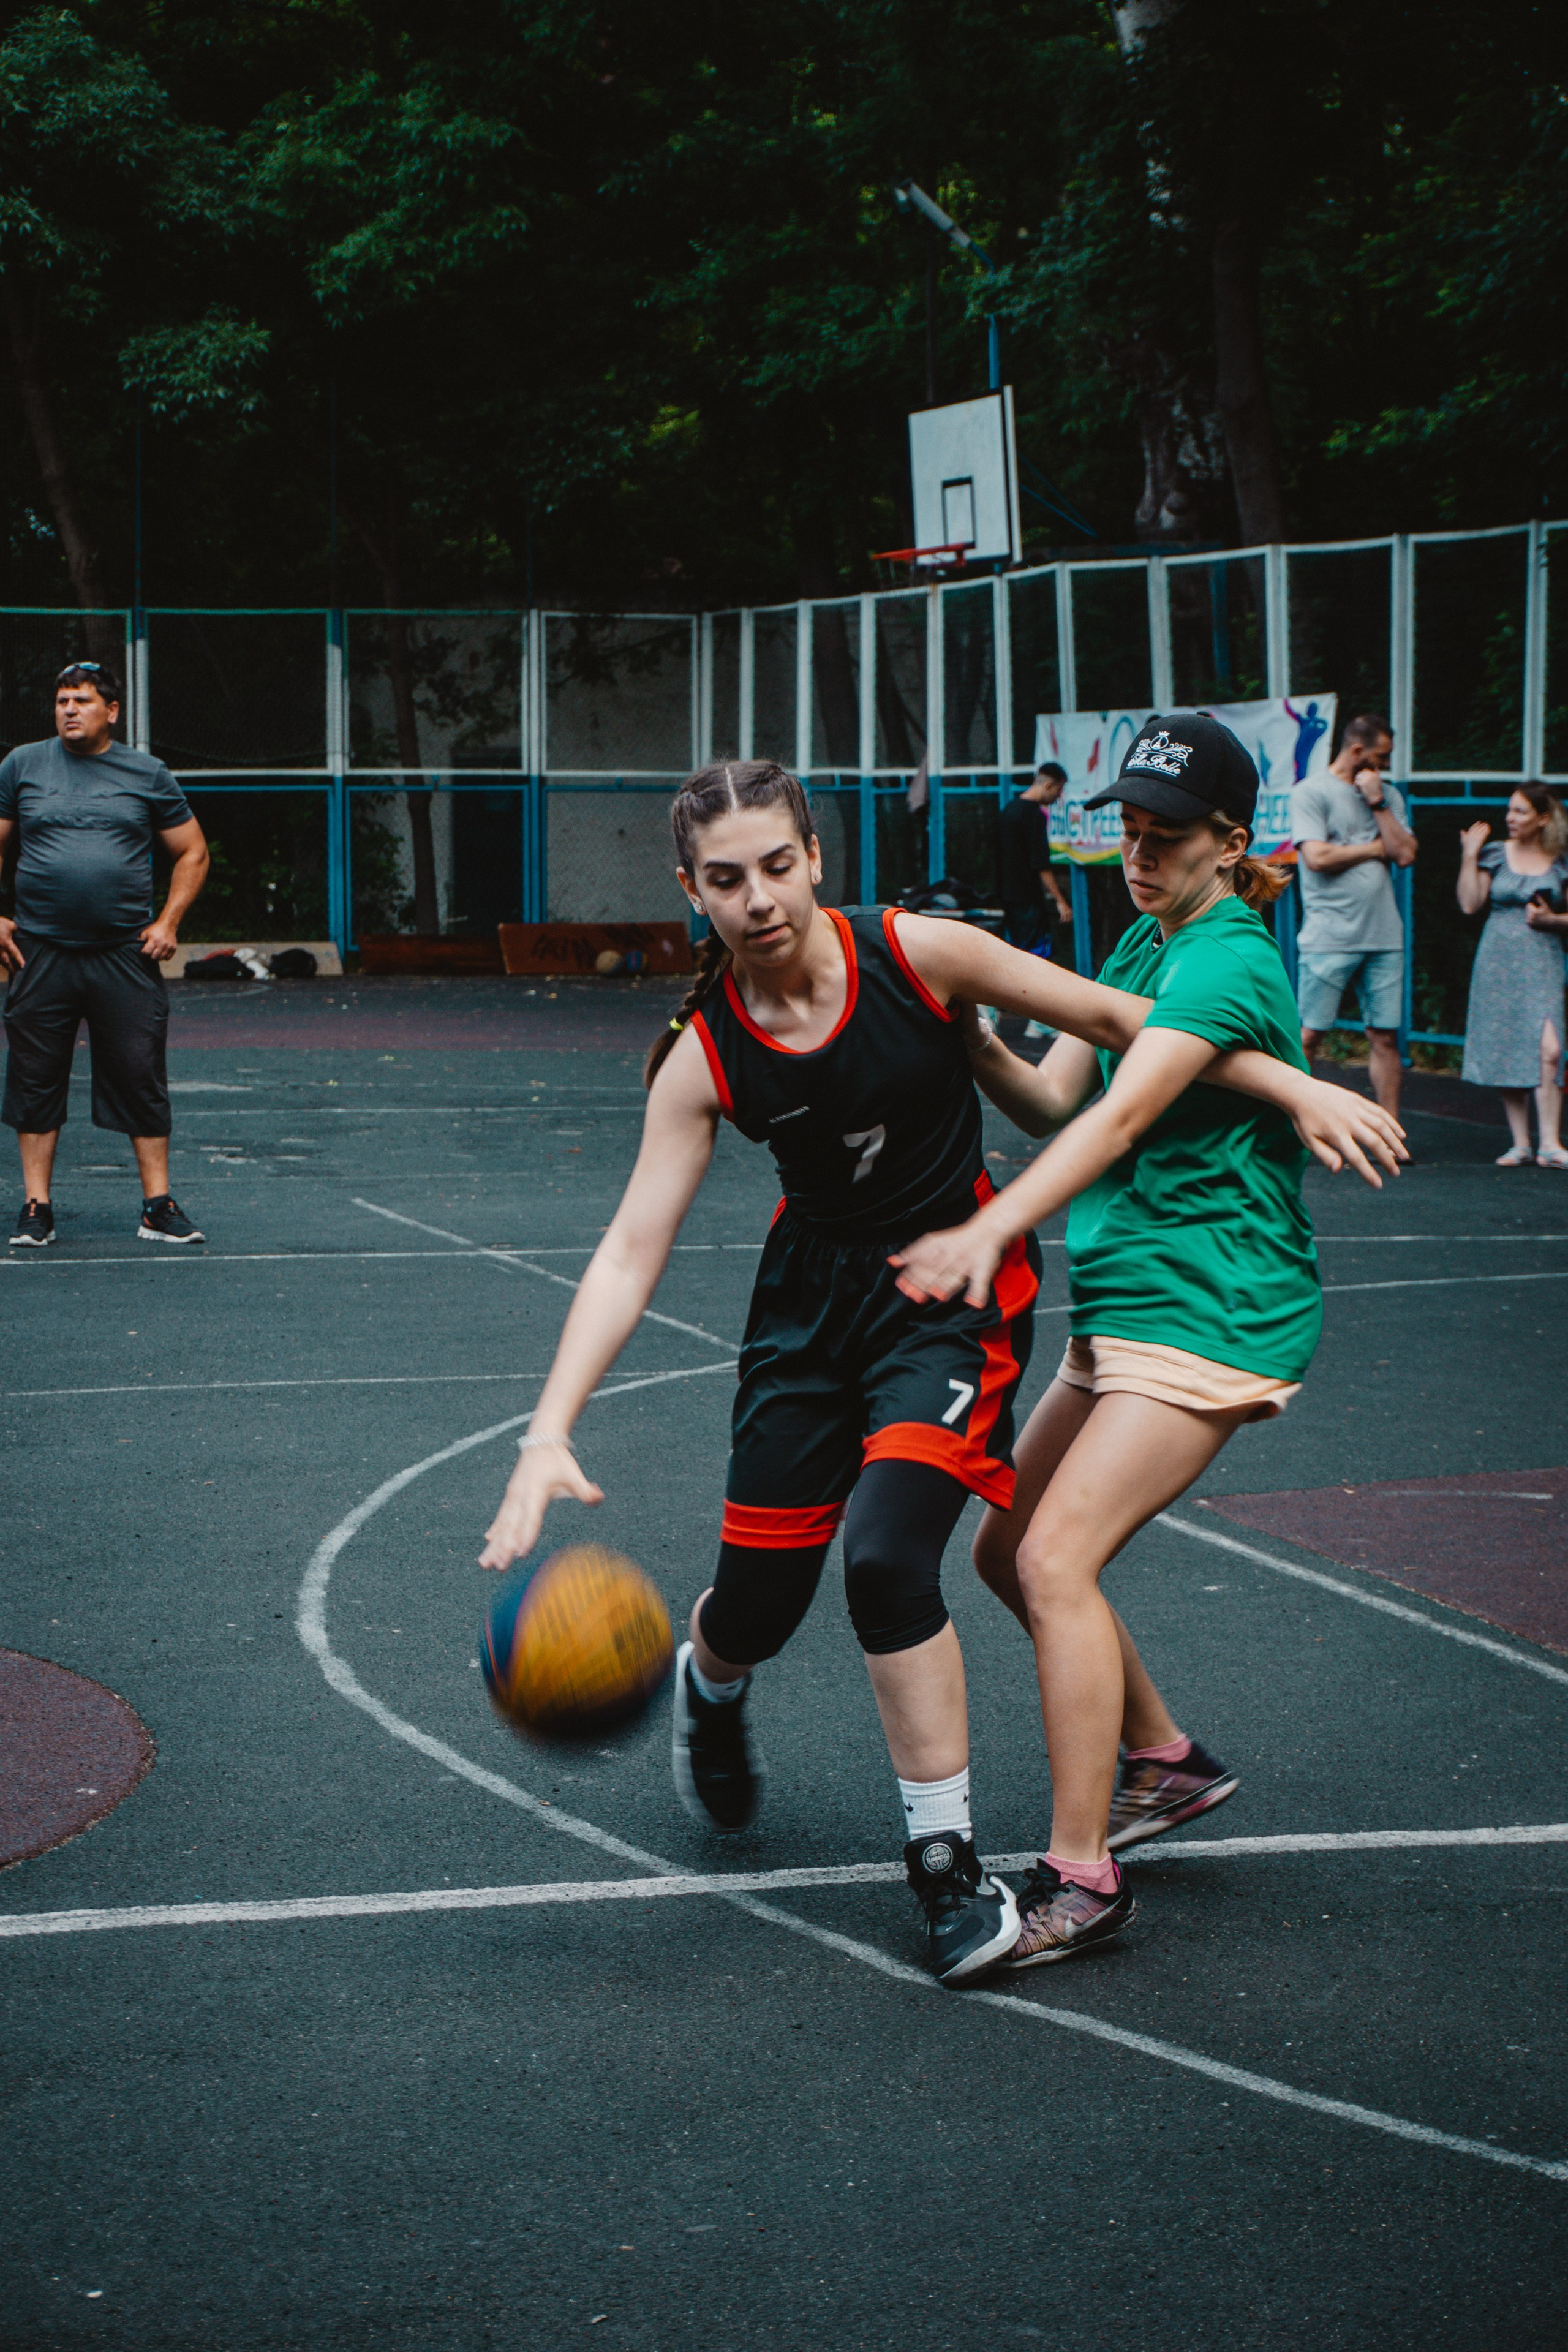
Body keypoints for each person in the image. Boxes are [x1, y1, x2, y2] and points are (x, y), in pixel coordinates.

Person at [478, 758, 1402, 1985]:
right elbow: (628, 1251)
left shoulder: (923, 948)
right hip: (809, 1310)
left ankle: (947, 1868)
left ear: (814, 859)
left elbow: (1130, 1037)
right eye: (723, 880)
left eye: (774, 866)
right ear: (688, 892)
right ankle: (712, 1678)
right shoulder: (704, 1056)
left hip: (950, 1300)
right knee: (757, 1602)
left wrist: (1288, 1076)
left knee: (888, 1556)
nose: (755, 898)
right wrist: (548, 1428)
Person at [892, 714, 1405, 1969]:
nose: (1135, 853)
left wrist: (993, 1227)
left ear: (1230, 843)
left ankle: (1082, 1879)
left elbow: (1117, 1123)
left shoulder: (1227, 957)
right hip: (1131, 1300)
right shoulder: (1140, 934)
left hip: (1215, 1304)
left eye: (1163, 838)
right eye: (1123, 830)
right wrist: (970, 1034)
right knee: (1004, 1550)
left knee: (1056, 1561)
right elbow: (1051, 1096)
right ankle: (1164, 1764)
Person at [0, 662, 209, 1246]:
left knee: (140, 1074)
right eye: (62, 700)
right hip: (40, 952)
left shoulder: (146, 773)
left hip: (124, 955)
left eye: (83, 701)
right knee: (36, 1078)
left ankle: (157, 1207)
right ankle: (36, 1208)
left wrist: (168, 922)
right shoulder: (22, 765)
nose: (69, 709)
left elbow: (193, 852)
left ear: (111, 711)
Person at [1291, 712, 1417, 1119]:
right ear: (1358, 751)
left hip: (1384, 938)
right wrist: (1373, 848)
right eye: (1381, 758)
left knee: (1384, 1037)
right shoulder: (1312, 792)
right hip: (1329, 936)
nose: (1385, 767)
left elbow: (1406, 853)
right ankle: (1294, 1130)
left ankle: (1393, 1133)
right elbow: (1317, 856)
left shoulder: (1389, 796)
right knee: (1308, 1037)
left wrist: (1377, 802)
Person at [1457, 785, 1568, 1167]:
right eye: (1510, 810)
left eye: (1521, 812)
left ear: (1543, 818)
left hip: (1543, 960)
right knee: (1508, 1042)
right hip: (1498, 960)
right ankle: (1521, 1142)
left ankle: (1551, 1143)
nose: (1511, 818)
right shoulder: (1494, 854)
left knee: (1550, 1049)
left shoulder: (1560, 861)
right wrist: (1470, 856)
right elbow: (1470, 904)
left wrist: (1552, 920)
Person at [997, 761, 1074, 1041]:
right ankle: (1039, 1023)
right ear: (1048, 785)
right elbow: (1041, 864)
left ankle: (1021, 1015)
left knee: (1018, 958)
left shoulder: (1008, 811)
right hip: (1028, 899)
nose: (1059, 797)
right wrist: (1060, 901)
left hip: (1009, 898)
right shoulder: (1033, 816)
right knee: (1038, 959)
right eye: (1060, 790)